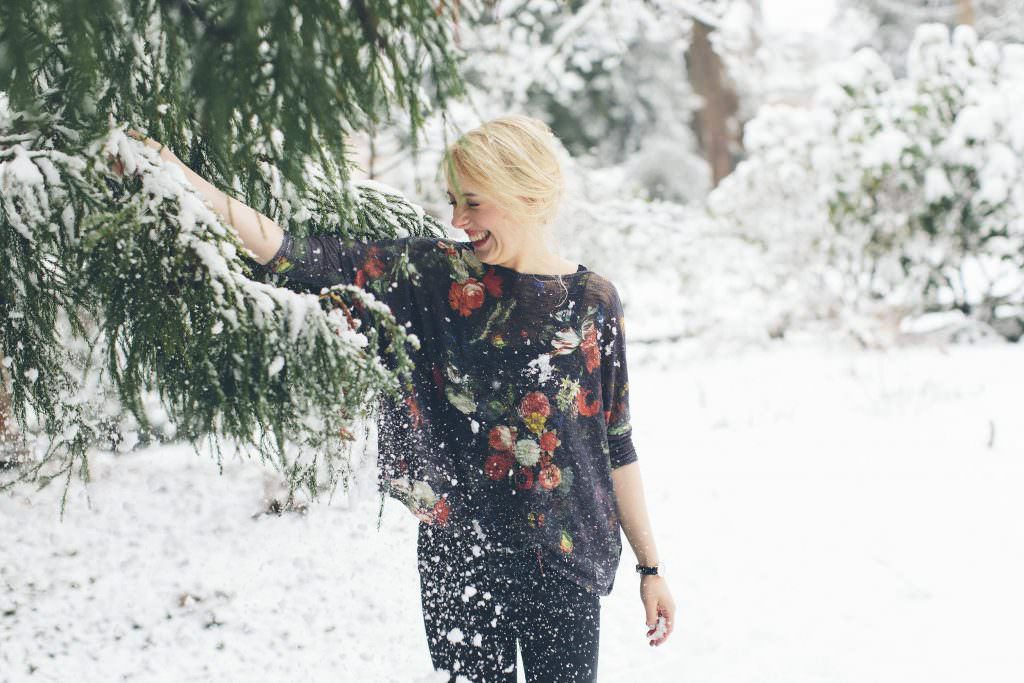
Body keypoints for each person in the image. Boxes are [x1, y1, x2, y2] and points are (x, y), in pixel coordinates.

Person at [126, 115, 675, 682]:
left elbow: (615, 442)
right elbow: (292, 255)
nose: (458, 219)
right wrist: (176, 171)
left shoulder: (593, 301)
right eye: (453, 201)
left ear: (526, 194)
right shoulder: (431, 275)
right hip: (461, 553)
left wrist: (650, 566)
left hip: (564, 559)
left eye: (474, 202)